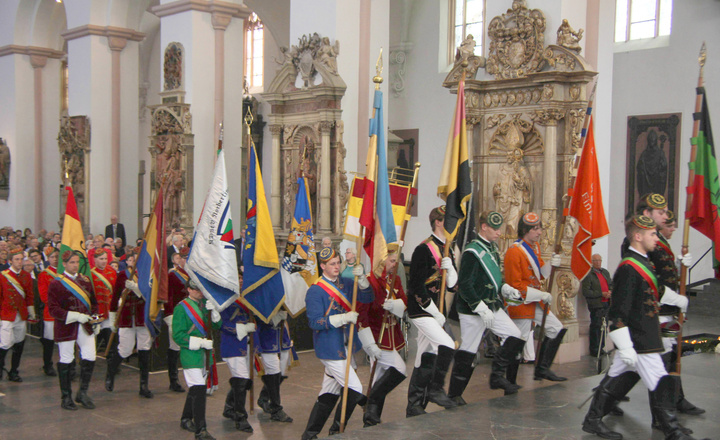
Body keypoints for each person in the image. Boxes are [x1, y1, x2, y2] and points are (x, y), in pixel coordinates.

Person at [581, 215, 706, 440]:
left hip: (644, 334)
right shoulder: (628, 268)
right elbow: (617, 313)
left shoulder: (644, 261)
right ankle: (674, 432)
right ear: (638, 236)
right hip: (639, 339)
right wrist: (626, 346)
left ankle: (592, 420)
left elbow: (655, 290)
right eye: (651, 234)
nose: (656, 238)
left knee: (618, 379)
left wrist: (679, 296)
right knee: (660, 380)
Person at [635, 197, 705, 423]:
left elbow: (665, 273)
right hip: (654, 309)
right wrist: (674, 297)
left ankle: (674, 402)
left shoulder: (657, 239)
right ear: (648, 212)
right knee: (655, 362)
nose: (667, 217)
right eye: (662, 212)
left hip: (665, 307)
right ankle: (663, 415)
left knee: (666, 358)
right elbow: (649, 278)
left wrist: (679, 266)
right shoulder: (639, 239)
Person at [449, 211, 526, 403]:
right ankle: (454, 394)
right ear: (484, 227)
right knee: (468, 349)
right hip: (472, 310)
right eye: (495, 228)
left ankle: (497, 376)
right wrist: (479, 306)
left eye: (499, 228)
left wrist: (505, 289)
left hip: (492, 306)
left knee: (515, 335)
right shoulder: (472, 251)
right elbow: (465, 284)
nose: (499, 232)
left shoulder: (492, 248)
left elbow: (493, 279)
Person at [300, 247, 374, 440]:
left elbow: (368, 298)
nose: (336, 266)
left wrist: (364, 281)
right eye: (332, 264)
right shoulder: (315, 291)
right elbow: (314, 322)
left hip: (347, 345)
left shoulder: (347, 283)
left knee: (329, 392)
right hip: (330, 348)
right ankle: (336, 430)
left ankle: (309, 435)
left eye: (338, 262)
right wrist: (343, 318)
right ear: (322, 266)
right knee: (355, 388)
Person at [405, 206, 459, 417]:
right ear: (438, 222)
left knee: (425, 356)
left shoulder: (448, 248)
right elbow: (416, 286)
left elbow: (453, 287)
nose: (452, 226)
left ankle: (415, 405)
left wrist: (452, 269)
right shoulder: (423, 250)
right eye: (449, 221)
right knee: (447, 344)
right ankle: (436, 389)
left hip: (439, 310)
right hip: (421, 309)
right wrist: (432, 310)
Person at [504, 212, 566, 382]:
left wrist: (552, 264)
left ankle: (542, 369)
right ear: (526, 230)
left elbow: (540, 275)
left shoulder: (534, 249)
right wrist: (541, 294)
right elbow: (514, 286)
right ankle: (509, 381)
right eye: (536, 229)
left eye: (539, 229)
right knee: (519, 342)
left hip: (536, 301)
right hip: (521, 303)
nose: (539, 233)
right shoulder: (514, 251)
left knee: (556, 328)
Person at [357, 243, 408, 427]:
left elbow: (404, 299)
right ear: (382, 260)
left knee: (378, 379)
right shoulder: (370, 282)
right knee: (399, 369)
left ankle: (371, 418)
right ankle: (370, 407)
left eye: (397, 260)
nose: (395, 264)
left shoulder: (394, 279)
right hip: (376, 336)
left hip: (392, 334)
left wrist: (396, 305)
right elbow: (361, 314)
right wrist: (369, 343)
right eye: (392, 260)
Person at [47, 251, 99, 410]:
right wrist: (74, 315)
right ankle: (66, 397)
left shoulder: (85, 280)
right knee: (66, 359)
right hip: (66, 326)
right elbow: (53, 309)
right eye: (72, 262)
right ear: (64, 264)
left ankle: (82, 393)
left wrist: (95, 319)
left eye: (77, 262)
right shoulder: (56, 283)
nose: (75, 265)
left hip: (85, 326)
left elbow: (94, 303)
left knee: (90, 357)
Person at [173, 279, 221, 440]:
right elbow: (178, 335)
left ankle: (186, 418)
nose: (199, 292)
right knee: (200, 390)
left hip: (204, 355)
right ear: (189, 290)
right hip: (191, 354)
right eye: (195, 289)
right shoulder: (181, 308)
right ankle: (201, 430)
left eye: (200, 290)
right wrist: (198, 342)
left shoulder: (205, 304)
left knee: (195, 389)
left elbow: (216, 326)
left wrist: (214, 314)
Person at [105, 251, 153, 398]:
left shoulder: (147, 275)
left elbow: (150, 295)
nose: (133, 262)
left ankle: (143, 385)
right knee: (124, 349)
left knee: (144, 349)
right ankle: (110, 374)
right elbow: (114, 297)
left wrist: (137, 288)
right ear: (127, 261)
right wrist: (113, 316)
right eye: (131, 259)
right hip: (126, 317)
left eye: (136, 259)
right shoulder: (121, 275)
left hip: (142, 317)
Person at [219, 270, 256, 432]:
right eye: (237, 278)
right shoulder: (224, 298)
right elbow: (221, 323)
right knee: (241, 380)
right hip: (232, 343)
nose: (240, 280)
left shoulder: (248, 296)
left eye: (242, 277)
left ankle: (229, 407)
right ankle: (240, 418)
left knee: (243, 380)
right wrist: (241, 328)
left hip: (247, 343)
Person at [0, 246, 35, 382]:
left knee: (19, 343)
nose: (20, 262)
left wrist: (31, 311)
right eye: (17, 259)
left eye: (21, 259)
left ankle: (14, 371)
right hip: (7, 314)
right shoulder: (3, 276)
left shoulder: (26, 276)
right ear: (10, 261)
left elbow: (29, 295)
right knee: (5, 344)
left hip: (21, 315)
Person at [254, 306, 294, 423]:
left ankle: (264, 398)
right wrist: (273, 317)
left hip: (281, 334)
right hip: (265, 335)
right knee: (274, 372)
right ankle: (276, 409)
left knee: (280, 372)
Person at [166, 247, 190, 393]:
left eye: (188, 257)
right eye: (184, 257)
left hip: (193, 316)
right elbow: (168, 296)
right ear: (179, 259)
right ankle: (173, 380)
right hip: (177, 316)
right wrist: (169, 316)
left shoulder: (196, 274)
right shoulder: (173, 275)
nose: (186, 260)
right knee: (175, 347)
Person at [582, 254, 612, 357]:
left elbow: (610, 284)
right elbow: (586, 291)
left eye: (600, 260)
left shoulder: (605, 272)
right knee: (596, 326)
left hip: (606, 302)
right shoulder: (589, 274)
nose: (598, 262)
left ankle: (601, 347)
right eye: (596, 260)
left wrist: (610, 292)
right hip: (596, 304)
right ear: (592, 262)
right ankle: (595, 349)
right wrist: (601, 293)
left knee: (605, 326)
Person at [37, 248, 60, 376]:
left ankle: (67, 364)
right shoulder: (44, 275)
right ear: (48, 258)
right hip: (51, 312)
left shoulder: (64, 272)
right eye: (52, 257)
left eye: (57, 256)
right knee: (49, 340)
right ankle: (47, 364)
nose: (55, 259)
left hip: (65, 311)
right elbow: (44, 296)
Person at [90, 249, 117, 353]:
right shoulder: (91, 274)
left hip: (109, 309)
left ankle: (111, 358)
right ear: (95, 259)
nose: (104, 261)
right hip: (97, 310)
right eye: (101, 259)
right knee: (95, 336)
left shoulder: (112, 271)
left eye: (105, 258)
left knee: (110, 336)